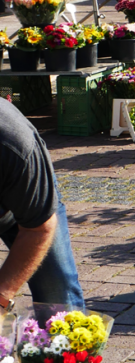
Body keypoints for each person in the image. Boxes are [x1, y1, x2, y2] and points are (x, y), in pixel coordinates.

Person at [0, 98, 85, 314]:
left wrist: (2, 296)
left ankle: (67, 335)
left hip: (23, 205)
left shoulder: (14, 146)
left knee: (57, 292)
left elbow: (38, 230)